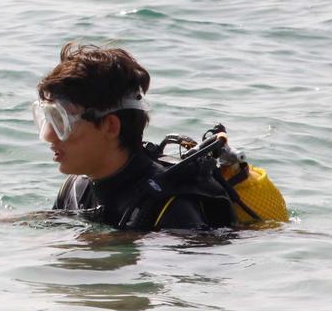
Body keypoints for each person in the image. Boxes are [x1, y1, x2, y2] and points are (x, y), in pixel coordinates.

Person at [36, 42, 234, 230]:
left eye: (62, 122)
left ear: (110, 126)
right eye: (48, 119)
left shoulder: (172, 206)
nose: (48, 136)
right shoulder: (76, 188)